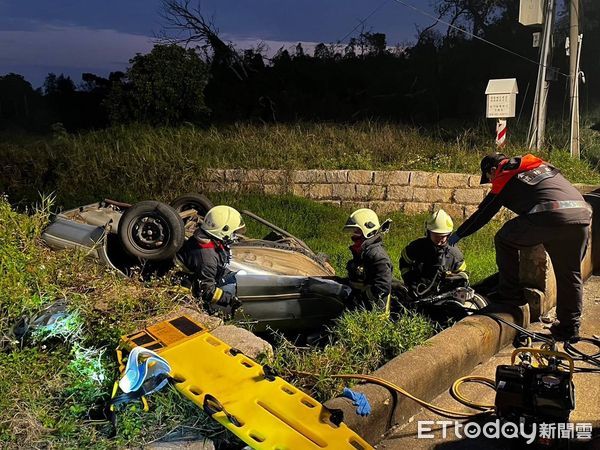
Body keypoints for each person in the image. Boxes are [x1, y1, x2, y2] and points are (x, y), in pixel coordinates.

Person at [449, 153, 591, 341]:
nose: (491, 182)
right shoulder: (540, 166)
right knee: (570, 274)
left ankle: (511, 295)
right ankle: (569, 328)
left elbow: (484, 212)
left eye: (489, 179)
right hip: (581, 215)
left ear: (492, 170)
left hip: (550, 215)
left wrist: (460, 233)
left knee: (504, 239)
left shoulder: (504, 175)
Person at [176, 205, 244, 312]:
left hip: (193, 276)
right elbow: (206, 291)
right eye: (233, 233)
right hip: (179, 287)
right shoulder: (206, 258)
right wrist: (230, 300)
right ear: (223, 230)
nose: (234, 236)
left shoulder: (206, 238)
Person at [399, 209, 468, 299]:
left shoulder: (455, 255)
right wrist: (410, 281)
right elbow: (404, 263)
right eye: (436, 236)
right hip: (417, 292)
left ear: (449, 235)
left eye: (443, 236)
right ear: (428, 232)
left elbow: (464, 275)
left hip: (443, 297)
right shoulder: (416, 248)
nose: (440, 240)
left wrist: (456, 278)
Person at [343, 208, 393, 313]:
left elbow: (382, 286)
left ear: (367, 231)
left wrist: (362, 299)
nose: (353, 235)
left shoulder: (377, 256)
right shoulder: (364, 253)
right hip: (360, 306)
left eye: (357, 231)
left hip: (374, 314)